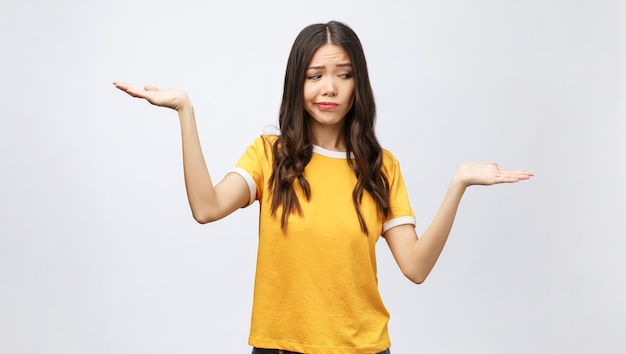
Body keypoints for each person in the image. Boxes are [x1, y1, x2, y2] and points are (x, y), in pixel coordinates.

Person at [113, 21, 532, 354]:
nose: (329, 87)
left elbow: (416, 267)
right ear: (298, 83)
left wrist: (458, 184)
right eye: (315, 75)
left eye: (343, 75)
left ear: (358, 85)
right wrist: (185, 110)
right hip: (281, 349)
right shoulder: (269, 155)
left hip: (364, 351)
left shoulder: (381, 168)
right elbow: (206, 208)